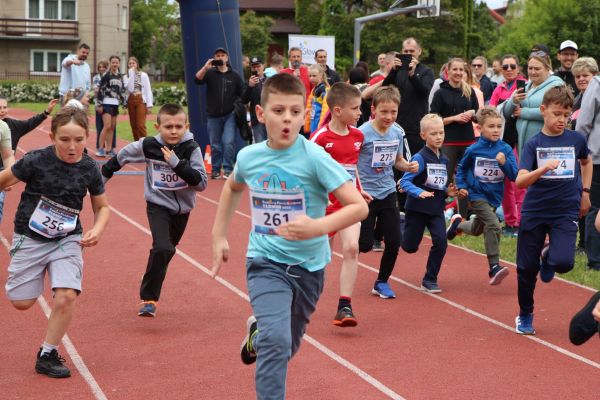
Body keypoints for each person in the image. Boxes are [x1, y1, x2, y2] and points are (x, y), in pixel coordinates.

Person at [210, 73, 368, 400]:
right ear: (260, 112)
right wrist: (218, 235)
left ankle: (258, 335)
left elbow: (358, 207)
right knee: (277, 342)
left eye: (295, 112)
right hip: (265, 262)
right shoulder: (249, 157)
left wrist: (318, 227)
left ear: (304, 114)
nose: (287, 119)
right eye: (279, 110)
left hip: (309, 268)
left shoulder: (314, 158)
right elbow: (232, 186)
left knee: (285, 346)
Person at [1, 107, 109, 378]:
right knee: (21, 302)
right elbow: (4, 180)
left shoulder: (89, 168)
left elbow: (102, 207)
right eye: (65, 140)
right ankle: (38, 274)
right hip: (30, 236)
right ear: (52, 137)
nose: (72, 147)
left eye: (79, 140)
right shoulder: (35, 160)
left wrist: (97, 228)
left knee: (67, 295)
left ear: (87, 138)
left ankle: (47, 353)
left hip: (67, 239)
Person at [101, 104, 207, 317]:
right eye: (168, 126)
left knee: (166, 250)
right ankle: (149, 299)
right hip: (157, 205)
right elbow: (123, 155)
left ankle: (150, 274)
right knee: (163, 248)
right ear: (158, 126)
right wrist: (102, 177)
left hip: (183, 210)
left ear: (186, 126)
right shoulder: (149, 145)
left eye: (179, 126)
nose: (174, 131)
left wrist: (177, 164)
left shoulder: (191, 148)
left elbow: (201, 183)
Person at [514, 86, 592, 335]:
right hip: (535, 210)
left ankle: (548, 257)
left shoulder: (576, 139)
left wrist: (585, 193)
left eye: (566, 115)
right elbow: (520, 180)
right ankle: (525, 314)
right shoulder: (533, 144)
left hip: (565, 209)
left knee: (564, 262)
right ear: (543, 110)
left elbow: (586, 161)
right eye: (557, 113)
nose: (561, 120)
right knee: (526, 268)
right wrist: (542, 169)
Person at [310, 82, 367, 326]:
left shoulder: (358, 136)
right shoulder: (320, 138)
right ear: (337, 110)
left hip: (349, 205)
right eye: (355, 108)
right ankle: (300, 299)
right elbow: (307, 171)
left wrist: (360, 191)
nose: (359, 113)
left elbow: (353, 168)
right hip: (324, 206)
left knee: (352, 248)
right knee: (318, 259)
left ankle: (345, 306)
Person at [357, 86, 418, 299]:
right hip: (365, 194)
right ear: (373, 110)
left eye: (393, 112)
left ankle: (381, 281)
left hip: (388, 191)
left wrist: (408, 167)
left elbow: (398, 160)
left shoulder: (397, 132)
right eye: (384, 112)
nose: (389, 116)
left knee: (394, 241)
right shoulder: (362, 133)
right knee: (364, 245)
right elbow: (352, 162)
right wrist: (356, 188)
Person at [451, 107, 518, 285]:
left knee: (476, 229)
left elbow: (514, 175)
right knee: (494, 224)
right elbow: (461, 170)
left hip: (494, 196)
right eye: (491, 126)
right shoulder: (473, 149)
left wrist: (503, 163)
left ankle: (457, 224)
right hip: (476, 194)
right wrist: (463, 187)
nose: (496, 130)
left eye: (498, 126)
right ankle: (494, 266)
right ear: (480, 128)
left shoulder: (505, 149)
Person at [400, 114, 458, 293]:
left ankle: (430, 278)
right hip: (417, 209)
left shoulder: (444, 158)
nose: (439, 137)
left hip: (435, 209)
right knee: (409, 247)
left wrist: (448, 192)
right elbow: (404, 182)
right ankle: (400, 222)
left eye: (441, 133)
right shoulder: (419, 158)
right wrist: (419, 192)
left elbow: (438, 184)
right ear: (423, 135)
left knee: (441, 242)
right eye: (434, 134)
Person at [430, 57, 480, 217]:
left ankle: (462, 216)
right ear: (448, 72)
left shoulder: (469, 91)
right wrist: (454, 118)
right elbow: (433, 119)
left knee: (465, 179)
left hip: (468, 141)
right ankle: (435, 213)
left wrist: (473, 115)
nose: (458, 73)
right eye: (455, 69)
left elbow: (478, 116)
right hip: (449, 142)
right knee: (443, 179)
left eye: (461, 70)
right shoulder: (440, 92)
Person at [489, 55, 528, 237]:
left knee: (521, 182)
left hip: (522, 140)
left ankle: (521, 221)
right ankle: (511, 222)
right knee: (506, 183)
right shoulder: (498, 89)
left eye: (513, 66)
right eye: (505, 66)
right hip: (504, 141)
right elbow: (490, 111)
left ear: (518, 68)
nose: (509, 69)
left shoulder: (526, 86)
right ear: (501, 69)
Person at [503, 51, 564, 158]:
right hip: (522, 144)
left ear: (547, 68)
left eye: (537, 69)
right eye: (530, 68)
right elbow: (506, 112)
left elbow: (556, 112)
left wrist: (524, 112)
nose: (533, 72)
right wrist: (514, 101)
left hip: (545, 142)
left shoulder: (557, 85)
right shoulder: (525, 86)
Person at [195, 47, 244, 179]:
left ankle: (228, 169)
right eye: (218, 55)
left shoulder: (235, 75)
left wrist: (237, 108)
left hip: (230, 115)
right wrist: (206, 67)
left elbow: (242, 94)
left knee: (229, 142)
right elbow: (197, 80)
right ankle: (216, 169)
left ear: (227, 58)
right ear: (214, 58)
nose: (220, 57)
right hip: (213, 115)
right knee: (215, 145)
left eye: (223, 55)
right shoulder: (210, 73)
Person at [383, 38, 435, 154]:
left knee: (413, 164)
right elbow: (384, 89)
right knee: (395, 165)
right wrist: (393, 71)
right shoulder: (397, 70)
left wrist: (412, 74)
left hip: (416, 128)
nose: (408, 54)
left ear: (419, 51)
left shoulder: (427, 71)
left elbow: (424, 92)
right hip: (395, 125)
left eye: (411, 51)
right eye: (405, 52)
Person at [569, 57, 599, 255]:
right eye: (577, 76)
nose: (581, 79)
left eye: (585, 75)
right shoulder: (577, 97)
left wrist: (578, 149)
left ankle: (592, 254)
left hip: (590, 156)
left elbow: (583, 125)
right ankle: (584, 244)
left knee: (591, 203)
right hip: (586, 155)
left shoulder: (594, 88)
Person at [576, 64, 600, 271]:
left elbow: (584, 122)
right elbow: (584, 122)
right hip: (596, 157)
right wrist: (580, 151)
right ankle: (595, 259)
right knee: (594, 206)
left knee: (595, 207)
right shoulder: (596, 84)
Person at [97, 55, 126, 157]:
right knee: (107, 126)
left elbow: (122, 91)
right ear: (110, 63)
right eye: (113, 62)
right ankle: (100, 149)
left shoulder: (120, 76)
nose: (114, 64)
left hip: (115, 104)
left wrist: (124, 105)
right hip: (106, 103)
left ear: (119, 64)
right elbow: (101, 89)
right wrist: (100, 104)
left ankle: (109, 149)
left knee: (112, 127)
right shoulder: (107, 75)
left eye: (116, 62)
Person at [125, 56, 153, 141]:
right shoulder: (126, 77)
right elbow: (130, 89)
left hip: (141, 100)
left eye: (133, 63)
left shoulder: (143, 75)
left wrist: (149, 105)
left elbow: (148, 89)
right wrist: (131, 74)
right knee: (133, 125)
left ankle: (145, 145)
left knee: (140, 125)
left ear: (137, 64)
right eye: (129, 63)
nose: (131, 65)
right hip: (131, 100)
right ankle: (137, 145)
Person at [242, 56, 268, 143]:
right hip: (257, 120)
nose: (256, 68)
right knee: (260, 147)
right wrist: (250, 86)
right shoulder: (248, 82)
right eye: (254, 67)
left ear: (263, 66)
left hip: (270, 118)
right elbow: (244, 100)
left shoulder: (270, 80)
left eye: (258, 66)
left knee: (272, 145)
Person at [305, 63, 330, 136]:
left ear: (321, 75)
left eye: (314, 76)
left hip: (319, 124)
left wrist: (321, 125)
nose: (311, 78)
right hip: (313, 122)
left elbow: (326, 110)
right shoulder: (314, 89)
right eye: (310, 76)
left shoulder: (324, 90)